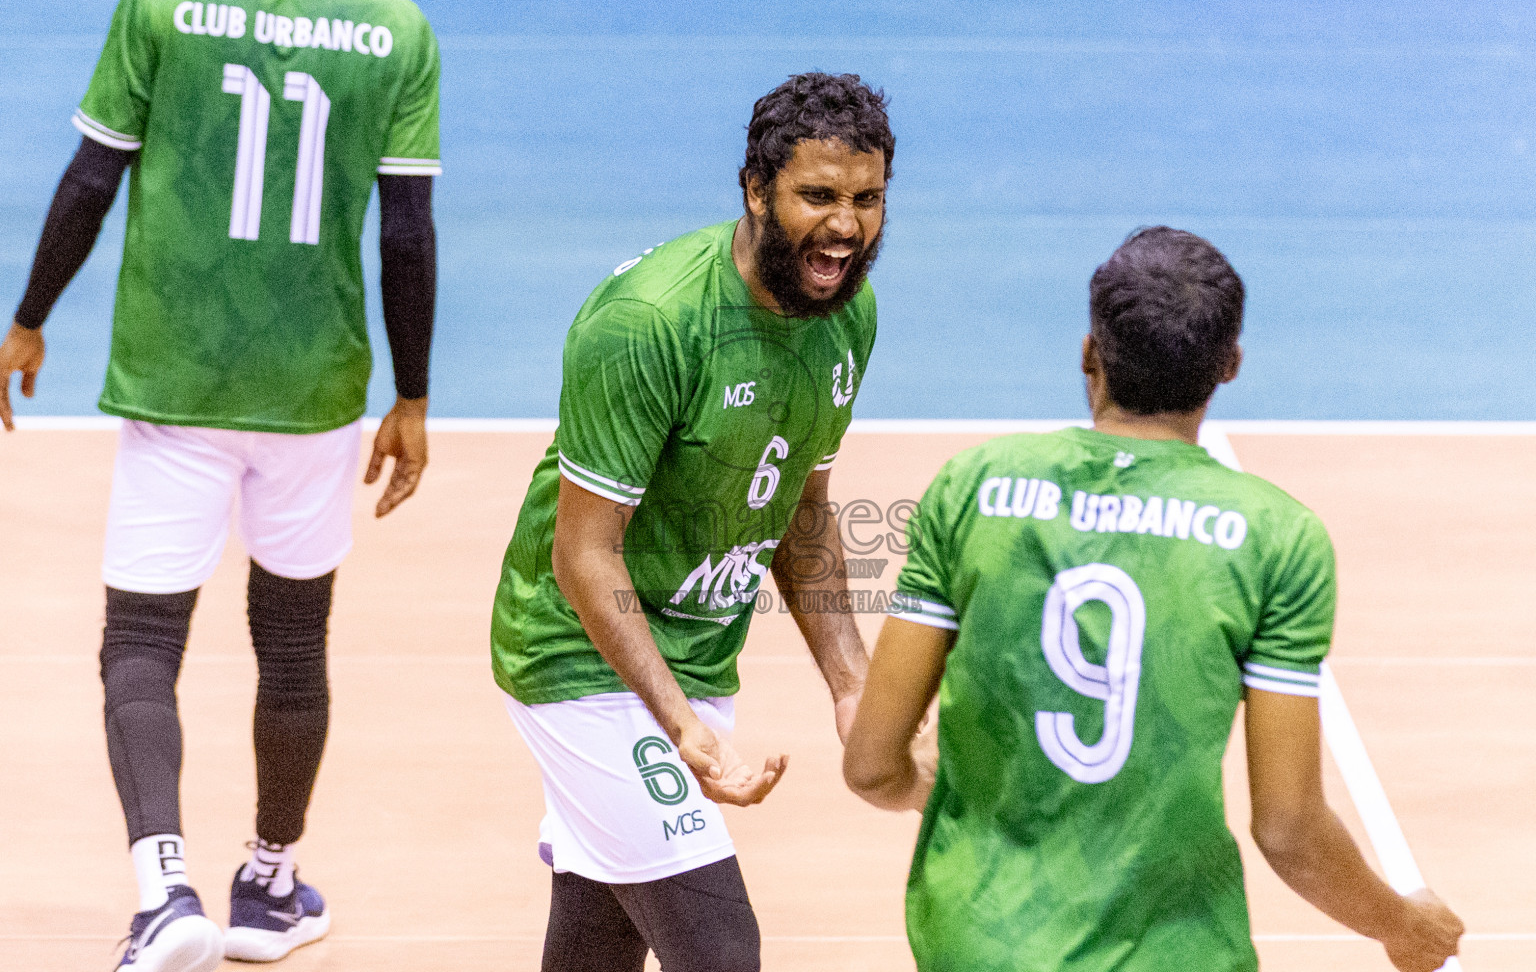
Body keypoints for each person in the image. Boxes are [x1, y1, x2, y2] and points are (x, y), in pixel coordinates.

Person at [842, 226, 1465, 972]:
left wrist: (921, 786)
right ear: (1229, 366)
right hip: (1172, 952)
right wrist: (1401, 924)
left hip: (976, 940)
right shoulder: (1276, 537)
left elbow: (872, 767)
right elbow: (1290, 830)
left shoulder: (973, 486)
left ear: (1088, 355)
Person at [0, 0, 440, 968]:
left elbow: (90, 177)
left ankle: (165, 894)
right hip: (314, 391)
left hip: (177, 381)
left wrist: (28, 319)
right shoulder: (396, 29)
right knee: (293, 642)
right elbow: (407, 234)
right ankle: (269, 884)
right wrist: (412, 393)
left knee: (143, 638)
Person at [489, 71, 891, 972]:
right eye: (817, 196)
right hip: (579, 654)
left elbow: (804, 511)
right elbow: (583, 554)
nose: (846, 227)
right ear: (756, 189)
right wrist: (679, 725)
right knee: (718, 947)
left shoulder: (848, 316)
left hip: (700, 653)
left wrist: (852, 685)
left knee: (596, 937)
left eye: (867, 199)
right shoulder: (653, 323)